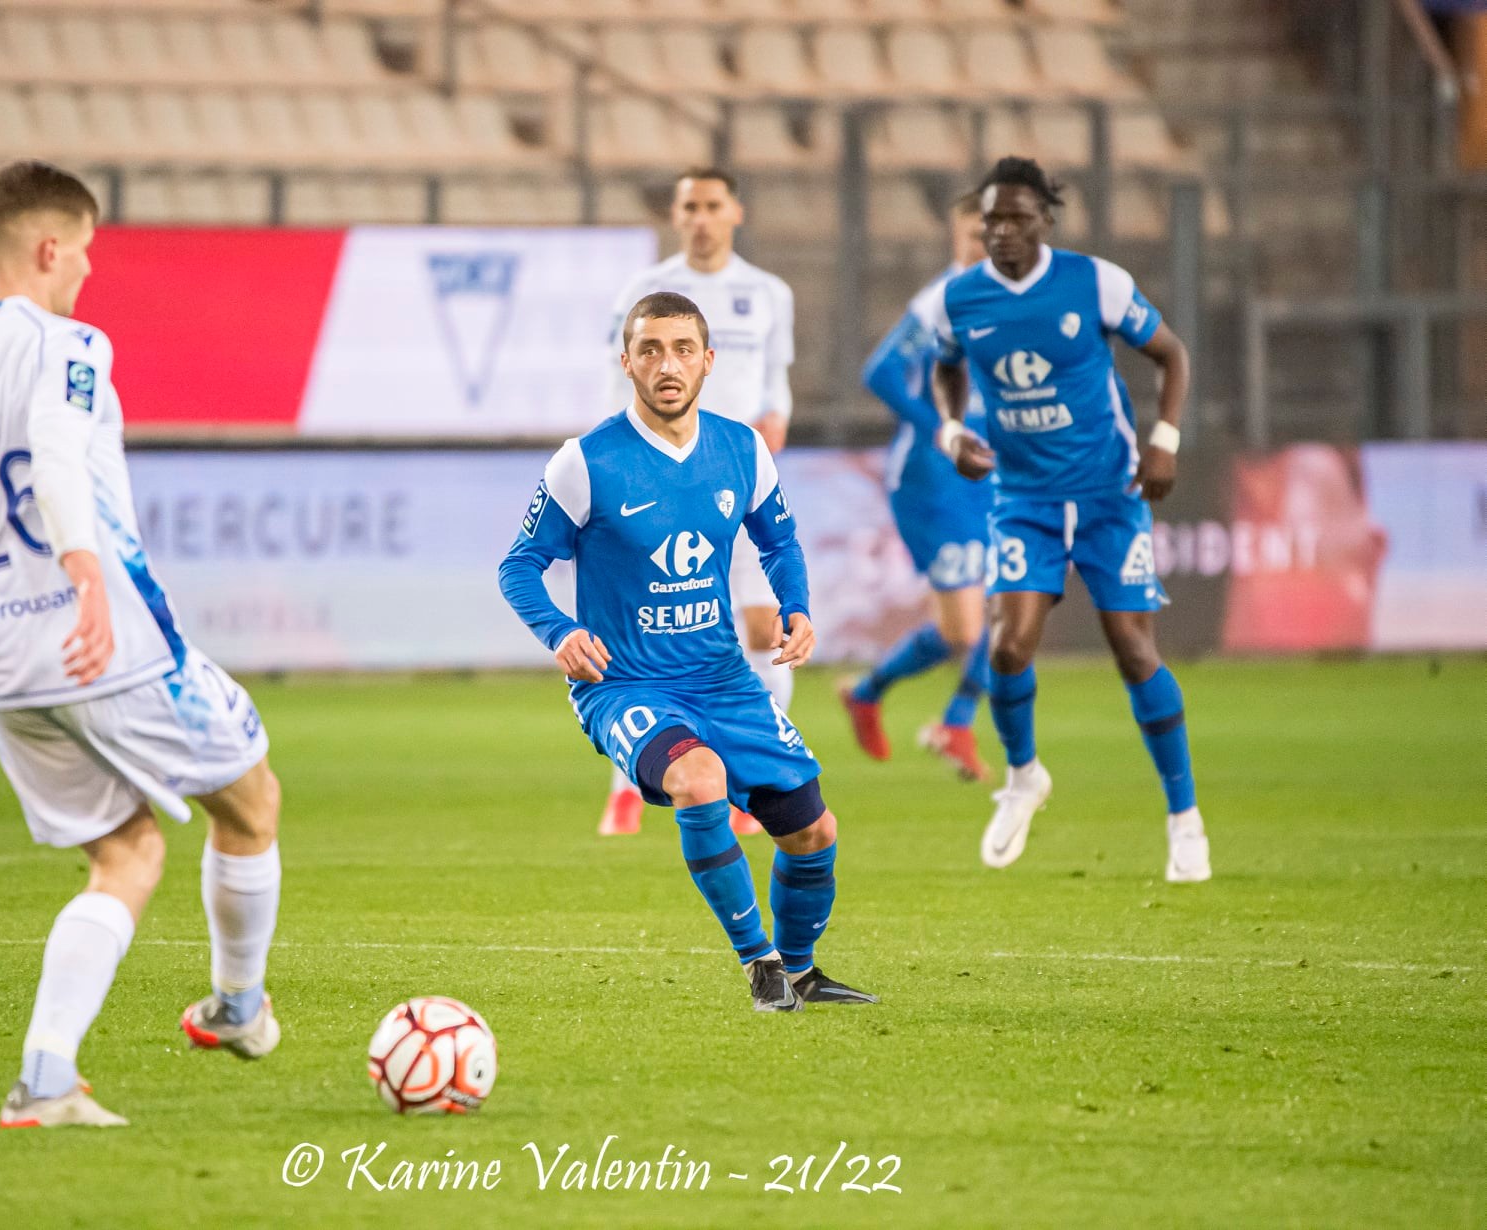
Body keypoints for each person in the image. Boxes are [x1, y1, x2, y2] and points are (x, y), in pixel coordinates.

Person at [0, 160, 287, 1129]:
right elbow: (49, 445)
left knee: (124, 856)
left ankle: (46, 1080)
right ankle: (239, 1007)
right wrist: (84, 572)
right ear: (49, 248)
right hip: (106, 636)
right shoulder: (70, 344)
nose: (87, 269)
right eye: (82, 250)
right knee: (251, 802)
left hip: (5, 662)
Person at [498, 291, 874, 1012]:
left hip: (725, 679)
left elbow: (780, 539)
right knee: (697, 780)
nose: (665, 365)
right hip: (627, 684)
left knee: (815, 831)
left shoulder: (742, 448)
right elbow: (519, 565)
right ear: (627, 362)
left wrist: (796, 607)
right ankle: (759, 963)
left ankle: (799, 972)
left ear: (707, 361)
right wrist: (561, 632)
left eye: (680, 350)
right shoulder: (587, 461)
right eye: (649, 350)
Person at [919, 156, 1211, 882]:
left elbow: (1171, 355)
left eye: (1016, 218)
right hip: (1025, 499)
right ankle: (1023, 777)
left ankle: (1184, 818)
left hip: (1111, 494)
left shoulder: (1095, 282)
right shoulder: (958, 300)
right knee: (1009, 648)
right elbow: (945, 369)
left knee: (1134, 652)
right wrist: (952, 433)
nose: (1002, 232)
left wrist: (1165, 441)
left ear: (1046, 220)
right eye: (991, 221)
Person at [596, 167, 796, 838]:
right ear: (677, 216)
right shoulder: (641, 292)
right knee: (650, 635)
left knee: (765, 626)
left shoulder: (770, 294)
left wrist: (775, 424)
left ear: (734, 210)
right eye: (691, 207)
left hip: (735, 484)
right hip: (661, 491)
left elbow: (776, 384)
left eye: (713, 204)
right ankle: (626, 785)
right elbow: (614, 382)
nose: (702, 217)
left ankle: (755, 782)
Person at [840, 196, 995, 782]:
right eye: (972, 233)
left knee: (999, 611)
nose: (983, 242)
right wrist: (943, 429)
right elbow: (878, 371)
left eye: (993, 232)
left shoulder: (1016, 301)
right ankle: (882, 696)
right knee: (969, 628)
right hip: (933, 480)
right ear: (955, 237)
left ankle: (944, 719)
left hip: (989, 475)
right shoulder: (941, 301)